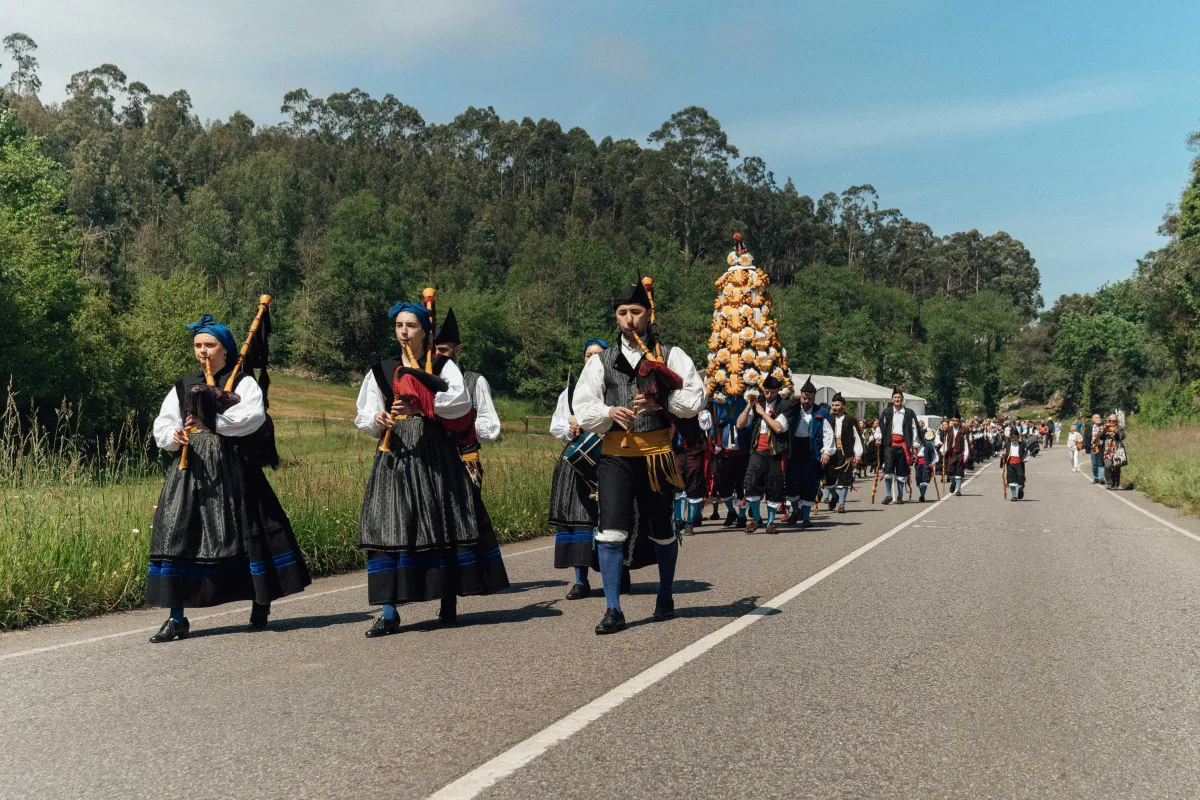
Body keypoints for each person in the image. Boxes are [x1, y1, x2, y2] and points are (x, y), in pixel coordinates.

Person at [147, 314, 311, 642]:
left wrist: (213, 422)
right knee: (178, 535)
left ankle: (260, 600)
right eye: (198, 345)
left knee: (244, 533)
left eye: (209, 345)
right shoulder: (183, 384)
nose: (203, 351)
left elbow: (252, 417)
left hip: (234, 467)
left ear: (225, 349)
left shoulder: (242, 382)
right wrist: (174, 435)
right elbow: (163, 421)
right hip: (191, 472)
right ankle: (176, 617)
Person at [354, 298, 509, 638]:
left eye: (410, 326)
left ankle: (448, 598)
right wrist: (378, 418)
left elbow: (460, 402)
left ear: (424, 331)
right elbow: (363, 413)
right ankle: (389, 611)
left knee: (442, 522)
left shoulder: (442, 365)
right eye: (399, 326)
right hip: (395, 455)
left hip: (436, 454)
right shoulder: (382, 369)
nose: (404, 332)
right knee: (389, 526)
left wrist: (424, 403)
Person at [573, 280, 706, 634]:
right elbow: (582, 405)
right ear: (616, 317)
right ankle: (613, 608)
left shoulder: (671, 355)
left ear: (648, 315)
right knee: (611, 530)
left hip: (657, 455)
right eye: (622, 313)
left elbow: (696, 398)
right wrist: (608, 412)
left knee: (662, 529)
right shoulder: (601, 361)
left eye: (635, 311)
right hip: (615, 455)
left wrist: (662, 401)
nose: (629, 319)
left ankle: (665, 594)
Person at [549, 338, 608, 600]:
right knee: (578, 518)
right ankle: (580, 581)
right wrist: (570, 428)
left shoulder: (613, 387)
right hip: (576, 460)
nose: (592, 359)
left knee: (612, 517)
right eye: (588, 355)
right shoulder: (570, 391)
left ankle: (619, 572)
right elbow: (556, 424)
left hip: (608, 455)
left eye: (597, 355)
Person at [433, 308, 502, 488]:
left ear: (457, 350)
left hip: (465, 460)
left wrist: (464, 424)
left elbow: (490, 428)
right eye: (433, 350)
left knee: (469, 506)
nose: (437, 355)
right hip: (432, 461)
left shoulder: (475, 381)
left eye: (442, 350)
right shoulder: (423, 381)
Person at [737, 377, 789, 533]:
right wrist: (749, 406)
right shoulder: (757, 403)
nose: (769, 395)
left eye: (772, 392)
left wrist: (763, 413)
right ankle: (757, 519)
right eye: (766, 391)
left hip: (775, 452)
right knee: (751, 484)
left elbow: (779, 428)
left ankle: (770, 523)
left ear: (778, 390)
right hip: (757, 451)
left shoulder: (785, 405)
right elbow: (739, 424)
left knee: (774, 486)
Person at [784, 377, 834, 527]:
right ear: (800, 396)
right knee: (792, 482)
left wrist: (826, 451)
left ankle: (806, 517)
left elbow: (828, 433)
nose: (806, 401)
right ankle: (795, 511)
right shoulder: (792, 409)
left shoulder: (822, 412)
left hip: (811, 450)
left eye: (810, 399)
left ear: (814, 397)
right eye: (804, 398)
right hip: (794, 449)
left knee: (810, 483)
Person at [873, 389, 919, 505]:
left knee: (901, 471)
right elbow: (881, 426)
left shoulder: (908, 413)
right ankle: (889, 495)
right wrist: (878, 437)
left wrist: (914, 445)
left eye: (899, 397)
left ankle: (899, 496)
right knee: (888, 470)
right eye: (895, 397)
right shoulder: (887, 412)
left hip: (903, 445)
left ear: (902, 399)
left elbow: (914, 429)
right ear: (892, 399)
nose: (897, 399)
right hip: (889, 444)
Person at [711, 395, 751, 529]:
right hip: (726, 454)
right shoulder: (722, 409)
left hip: (742, 454)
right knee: (721, 485)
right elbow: (715, 425)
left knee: (741, 486)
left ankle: (742, 515)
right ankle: (731, 511)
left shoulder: (745, 408)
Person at [823, 392, 863, 513]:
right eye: (833, 405)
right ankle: (835, 496)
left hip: (846, 454)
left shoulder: (851, 419)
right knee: (828, 479)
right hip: (831, 452)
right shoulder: (828, 418)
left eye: (837, 405)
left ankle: (841, 504)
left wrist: (858, 454)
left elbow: (857, 436)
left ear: (843, 406)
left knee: (844, 479)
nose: (834, 408)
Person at [942, 415, 969, 496]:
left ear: (959, 421)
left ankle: (958, 490)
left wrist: (966, 456)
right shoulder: (948, 430)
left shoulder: (963, 430)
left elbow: (966, 444)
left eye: (956, 421)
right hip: (951, 454)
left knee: (959, 471)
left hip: (960, 453)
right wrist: (943, 450)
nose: (955, 422)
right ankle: (953, 482)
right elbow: (946, 442)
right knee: (950, 471)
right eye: (953, 421)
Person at [1002, 427, 1030, 500]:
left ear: (1018, 438)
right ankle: (1014, 495)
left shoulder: (1022, 444)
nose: (1014, 441)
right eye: (1012, 439)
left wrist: (1025, 459)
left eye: (1015, 439)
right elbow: (1003, 452)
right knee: (1011, 479)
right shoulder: (1007, 444)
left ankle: (1020, 490)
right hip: (1010, 464)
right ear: (1010, 438)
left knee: (1020, 478)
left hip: (1019, 464)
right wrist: (1002, 455)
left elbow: (1027, 452)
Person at [1100, 414, 1126, 490]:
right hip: (1107, 450)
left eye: (1113, 421)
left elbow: (1122, 436)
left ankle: (1116, 483)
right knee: (1108, 466)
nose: (1111, 422)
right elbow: (1100, 437)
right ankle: (1109, 483)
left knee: (1116, 467)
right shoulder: (1106, 428)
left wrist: (1115, 431)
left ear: (1116, 421)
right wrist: (1104, 430)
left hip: (1117, 450)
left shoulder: (1119, 428)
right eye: (1110, 420)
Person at [914, 429, 940, 502]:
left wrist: (933, 463)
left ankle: (922, 495)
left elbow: (935, 455)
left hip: (926, 463)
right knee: (919, 479)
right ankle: (922, 494)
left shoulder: (929, 445)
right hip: (918, 463)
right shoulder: (917, 445)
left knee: (925, 479)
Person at [1083, 413, 1104, 484]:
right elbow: (1085, 437)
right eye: (1097, 417)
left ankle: (1101, 478)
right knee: (1094, 464)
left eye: (1099, 417)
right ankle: (1096, 478)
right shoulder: (1089, 427)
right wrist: (1084, 448)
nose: (1099, 418)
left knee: (1101, 463)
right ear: (1093, 420)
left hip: (1102, 447)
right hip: (1093, 447)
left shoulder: (1104, 427)